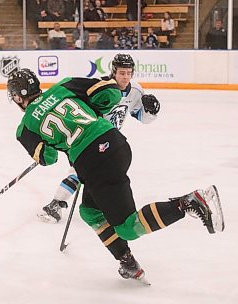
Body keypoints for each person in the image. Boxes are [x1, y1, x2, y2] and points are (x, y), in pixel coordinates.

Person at [7, 68, 224, 282]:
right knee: (90, 212)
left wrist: (53, 142)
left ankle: (188, 202)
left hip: (95, 161)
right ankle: (127, 262)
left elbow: (48, 158)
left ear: (17, 97)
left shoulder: (25, 128)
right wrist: (92, 111)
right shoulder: (63, 86)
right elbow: (111, 92)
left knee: (128, 228)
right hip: (116, 143)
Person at [38, 54, 158, 223]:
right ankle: (56, 203)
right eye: (122, 73)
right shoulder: (101, 86)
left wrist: (151, 111)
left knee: (100, 174)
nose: (125, 77)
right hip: (88, 135)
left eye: (129, 73)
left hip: (111, 139)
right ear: (113, 71)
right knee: (80, 171)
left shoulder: (136, 91)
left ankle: (97, 206)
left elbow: (143, 118)